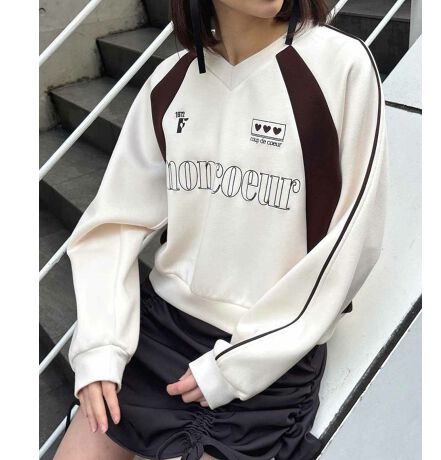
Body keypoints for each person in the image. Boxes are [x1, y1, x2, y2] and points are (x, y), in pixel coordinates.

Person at [54, 0, 389, 459]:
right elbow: (112, 224)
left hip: (268, 351)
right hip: (161, 331)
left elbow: (354, 238)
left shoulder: (341, 65)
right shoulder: (170, 81)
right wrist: (99, 349)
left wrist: (239, 365)